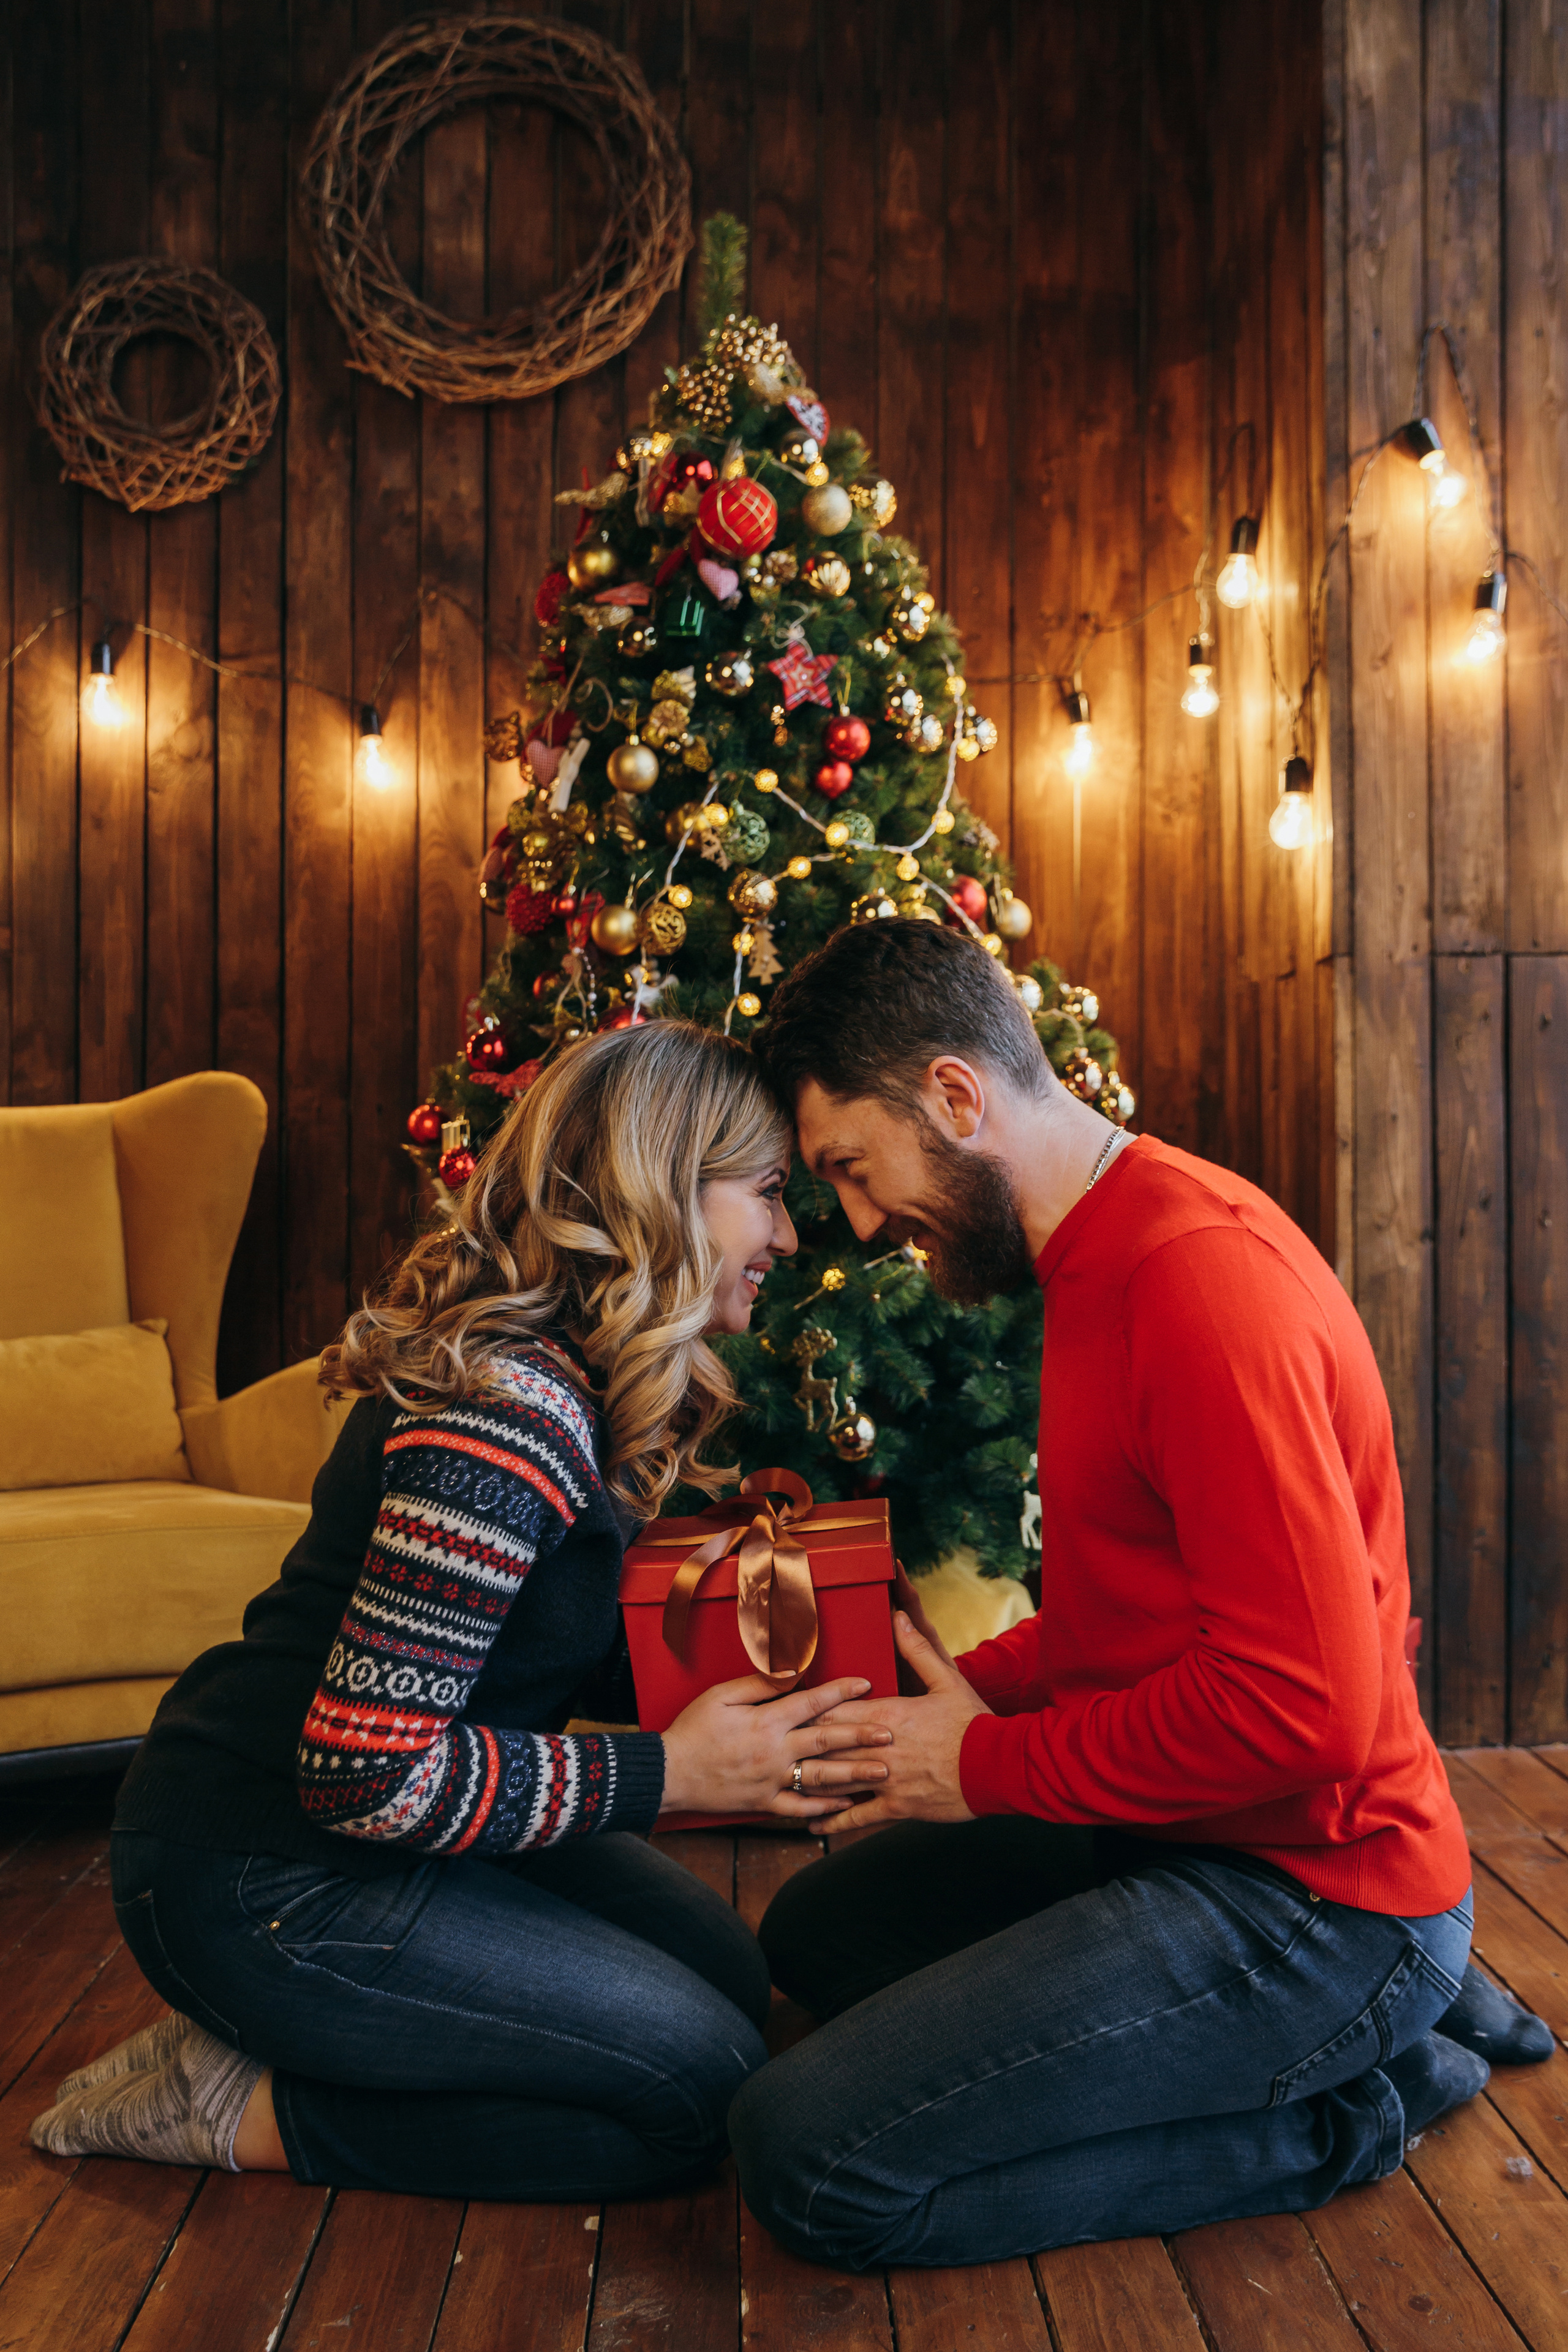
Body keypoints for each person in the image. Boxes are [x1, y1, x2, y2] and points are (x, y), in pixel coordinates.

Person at [730, 919, 1552, 2273]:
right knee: (821, 1936)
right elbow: (1144, 1621)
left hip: (1319, 1895)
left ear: (954, 1096)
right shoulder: (1094, 1252)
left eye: (854, 1172)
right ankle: (1347, 2030)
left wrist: (980, 1767)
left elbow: (1304, 1712)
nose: (863, 1227)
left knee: (809, 2161)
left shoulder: (1196, 1283)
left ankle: (1364, 2096)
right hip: (1174, 1830)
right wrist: (943, 1697)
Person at [31, 1020, 889, 2198]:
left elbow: (529, 1648)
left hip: (400, 1831)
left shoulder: (573, 1377)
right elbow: (363, 1777)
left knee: (730, 1982)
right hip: (262, 1871)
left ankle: (328, 2030)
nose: (787, 1237)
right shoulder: (506, 1418)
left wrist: (795, 1662)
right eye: (769, 1194)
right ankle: (239, 2099)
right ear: (664, 1190)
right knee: (699, 2091)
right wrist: (675, 1773)